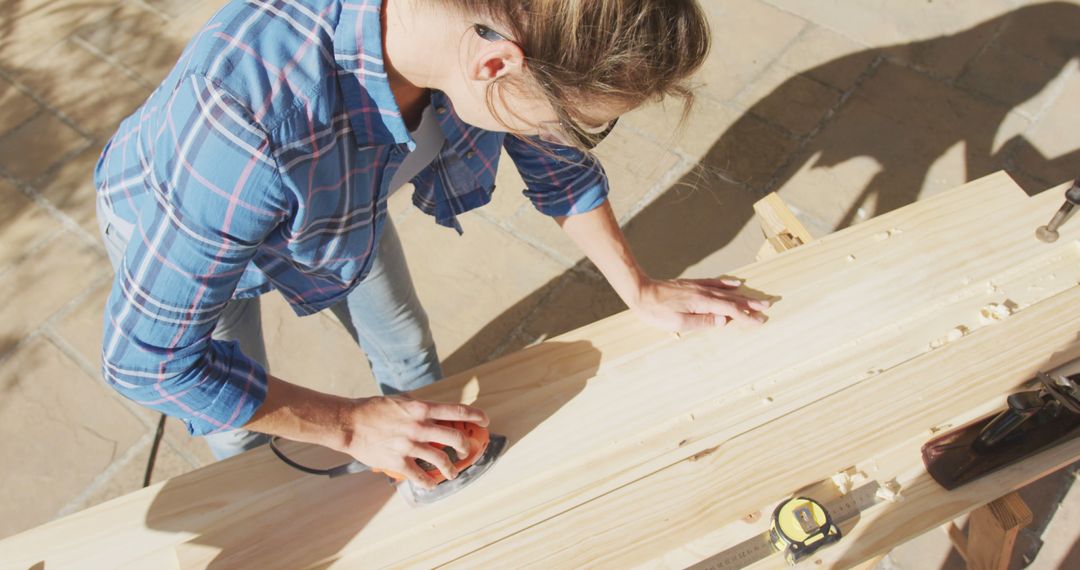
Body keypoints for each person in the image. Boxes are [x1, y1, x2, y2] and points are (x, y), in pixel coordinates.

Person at [94, 0, 769, 491]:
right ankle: (260, 508)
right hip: (176, 224)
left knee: (407, 346)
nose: (563, 138)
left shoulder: (503, 26)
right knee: (239, 426)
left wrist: (639, 288)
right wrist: (349, 428)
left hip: (337, 205)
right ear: (494, 63)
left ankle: (429, 461)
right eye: (572, 121)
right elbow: (147, 360)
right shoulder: (242, 120)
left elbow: (551, 159)